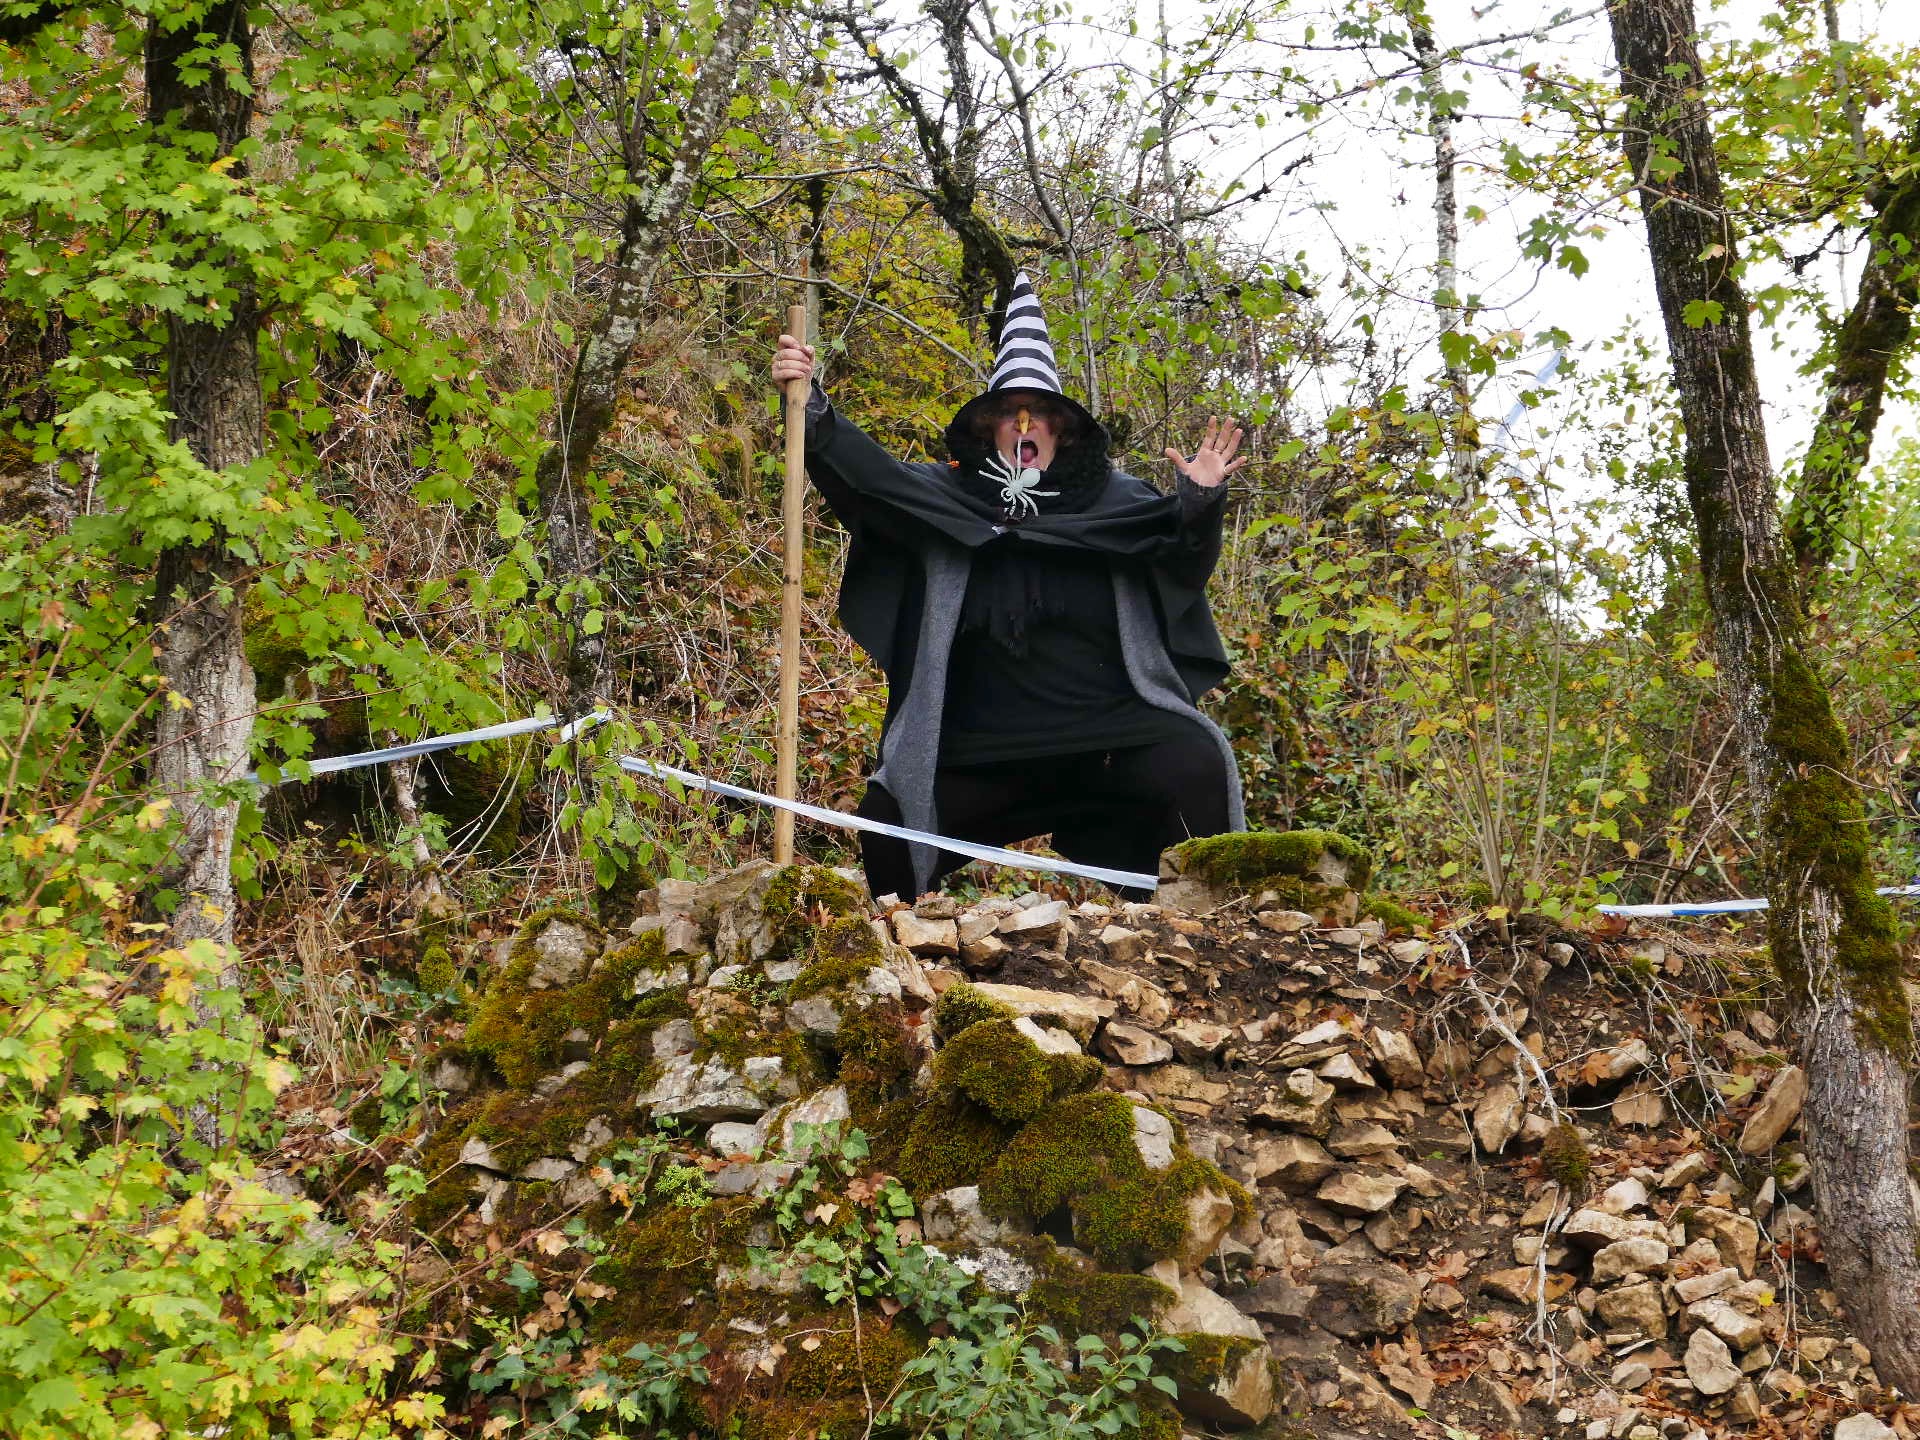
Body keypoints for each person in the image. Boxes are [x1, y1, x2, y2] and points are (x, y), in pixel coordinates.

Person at [769, 272, 1247, 900]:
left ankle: (1218, 931)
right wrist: (811, 404)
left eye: (1041, 415)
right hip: (977, 750)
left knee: (1196, 763)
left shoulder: (1117, 503)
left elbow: (1181, 555)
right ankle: (907, 971)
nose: (1025, 426)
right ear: (989, 431)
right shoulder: (943, 498)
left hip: (1110, 741)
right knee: (887, 826)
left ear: (1063, 433)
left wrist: (1199, 502)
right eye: (1008, 415)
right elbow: (870, 480)